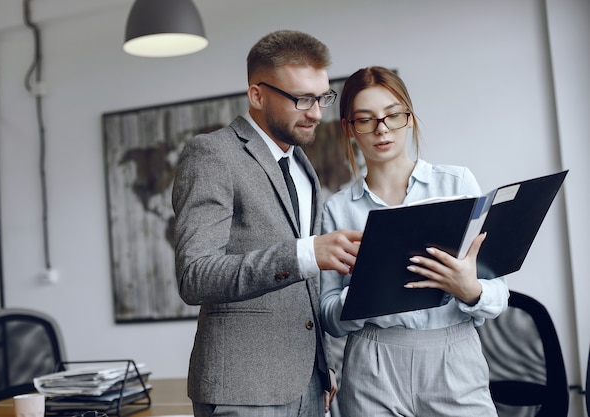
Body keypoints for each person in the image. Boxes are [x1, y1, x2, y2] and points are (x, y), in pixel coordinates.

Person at [172, 30, 362, 417]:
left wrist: (322, 367)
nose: (316, 112)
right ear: (257, 95)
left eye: (323, 97)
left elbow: (304, 291)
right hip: (240, 390)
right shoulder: (213, 154)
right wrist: (306, 253)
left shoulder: (303, 168)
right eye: (302, 99)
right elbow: (195, 275)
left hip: (309, 385)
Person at [319, 66, 509, 417]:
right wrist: (363, 293)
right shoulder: (338, 210)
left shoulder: (456, 184)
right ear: (349, 129)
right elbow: (328, 317)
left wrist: (470, 289)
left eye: (393, 115)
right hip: (372, 365)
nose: (382, 129)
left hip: (454, 355)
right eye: (366, 120)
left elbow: (499, 294)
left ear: (409, 118)